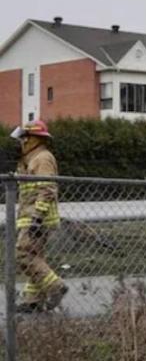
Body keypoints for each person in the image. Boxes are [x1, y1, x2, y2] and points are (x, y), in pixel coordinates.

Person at [11, 120, 67, 313]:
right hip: (31, 216)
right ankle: (33, 301)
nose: (22, 142)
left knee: (23, 254)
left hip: (38, 218)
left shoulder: (43, 158)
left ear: (34, 139)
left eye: (24, 138)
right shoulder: (31, 159)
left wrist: (37, 218)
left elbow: (48, 188)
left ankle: (56, 287)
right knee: (35, 257)